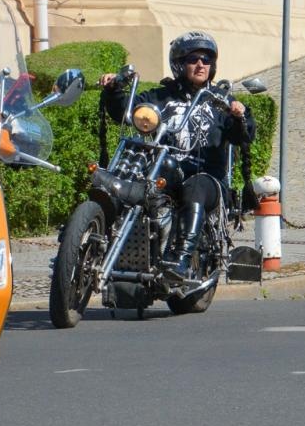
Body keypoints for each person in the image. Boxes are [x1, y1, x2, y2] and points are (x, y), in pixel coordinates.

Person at [99, 31, 255, 280]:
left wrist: (240, 115)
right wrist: (114, 89)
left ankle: (180, 261)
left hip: (207, 178)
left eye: (206, 59)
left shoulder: (222, 100)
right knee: (133, 180)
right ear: (179, 63)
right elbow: (127, 113)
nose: (201, 64)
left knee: (195, 188)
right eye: (194, 58)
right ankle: (95, 242)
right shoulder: (160, 96)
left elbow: (243, 136)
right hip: (165, 171)